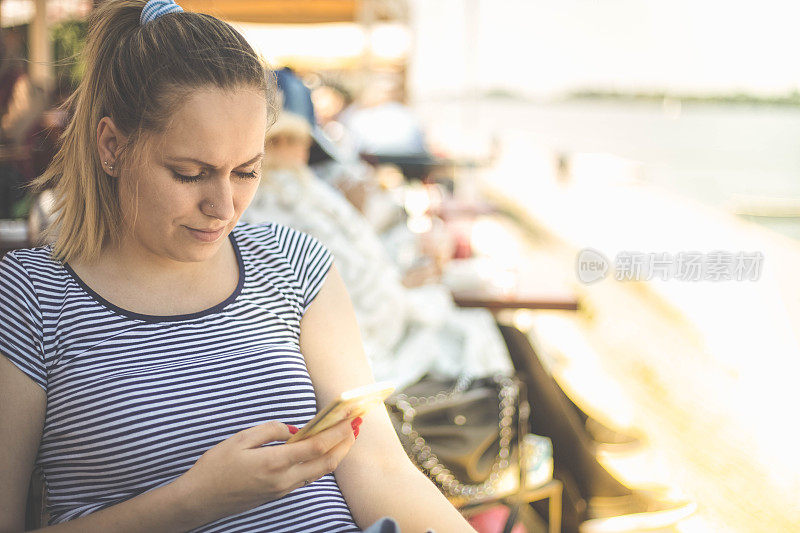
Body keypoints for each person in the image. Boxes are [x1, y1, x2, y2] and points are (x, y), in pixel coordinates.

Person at [0, 1, 477, 531]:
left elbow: (382, 471)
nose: (223, 207)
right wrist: (195, 499)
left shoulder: (296, 264)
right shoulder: (31, 298)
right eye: (189, 173)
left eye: (248, 172)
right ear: (111, 147)